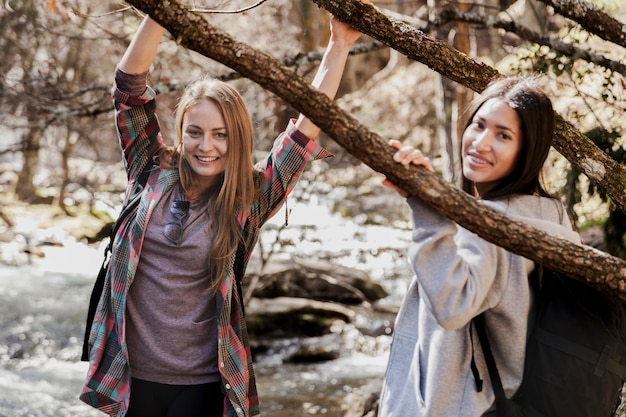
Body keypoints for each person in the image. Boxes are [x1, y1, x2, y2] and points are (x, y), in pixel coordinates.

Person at [79, 4, 367, 417]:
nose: (206, 146)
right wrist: (161, 11)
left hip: (203, 385)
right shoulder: (149, 168)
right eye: (194, 132)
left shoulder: (250, 196)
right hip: (128, 376)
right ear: (181, 133)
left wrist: (339, 44)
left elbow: (304, 130)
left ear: (238, 138)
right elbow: (128, 87)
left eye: (220, 135)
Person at [378, 76, 581, 416]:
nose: (480, 143)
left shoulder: (489, 227)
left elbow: (452, 305)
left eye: (503, 135)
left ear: (528, 149)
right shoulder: (553, 215)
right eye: (478, 125)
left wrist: (427, 208)